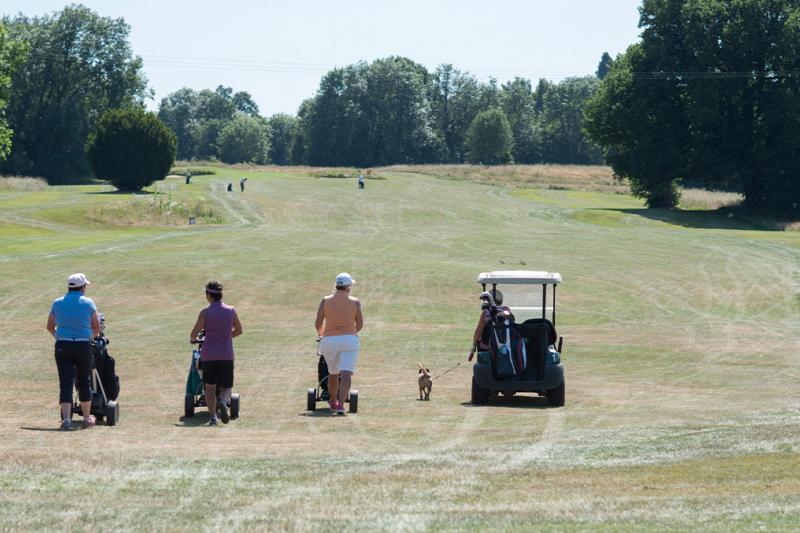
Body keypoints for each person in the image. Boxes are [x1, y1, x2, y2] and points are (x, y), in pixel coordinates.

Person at [46, 273, 101, 430]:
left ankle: (66, 420)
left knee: (65, 382)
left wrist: (59, 337)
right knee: (83, 381)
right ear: (82, 287)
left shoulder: (57, 303)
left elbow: (50, 327)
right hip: (83, 346)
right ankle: (86, 419)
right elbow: (96, 328)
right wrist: (87, 338)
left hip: (63, 345)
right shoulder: (88, 302)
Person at [190, 281, 243, 426]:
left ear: (208, 295)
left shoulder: (205, 313)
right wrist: (226, 336)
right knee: (227, 386)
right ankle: (222, 402)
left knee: (209, 387)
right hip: (226, 354)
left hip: (209, 355)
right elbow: (239, 330)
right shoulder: (231, 311)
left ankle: (213, 417)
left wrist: (194, 339)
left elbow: (193, 334)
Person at [315, 273, 363, 415]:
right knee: (346, 373)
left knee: (332, 373)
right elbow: (360, 324)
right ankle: (341, 405)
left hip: (329, 340)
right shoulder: (355, 302)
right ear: (348, 286)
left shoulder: (325, 300)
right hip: (349, 339)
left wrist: (321, 334)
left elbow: (318, 323)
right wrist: (351, 332)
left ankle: (334, 401)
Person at [468, 289, 512, 361]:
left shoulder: (486, 313)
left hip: (487, 349)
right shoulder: (506, 310)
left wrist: (473, 349)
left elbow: (478, 333)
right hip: (505, 347)